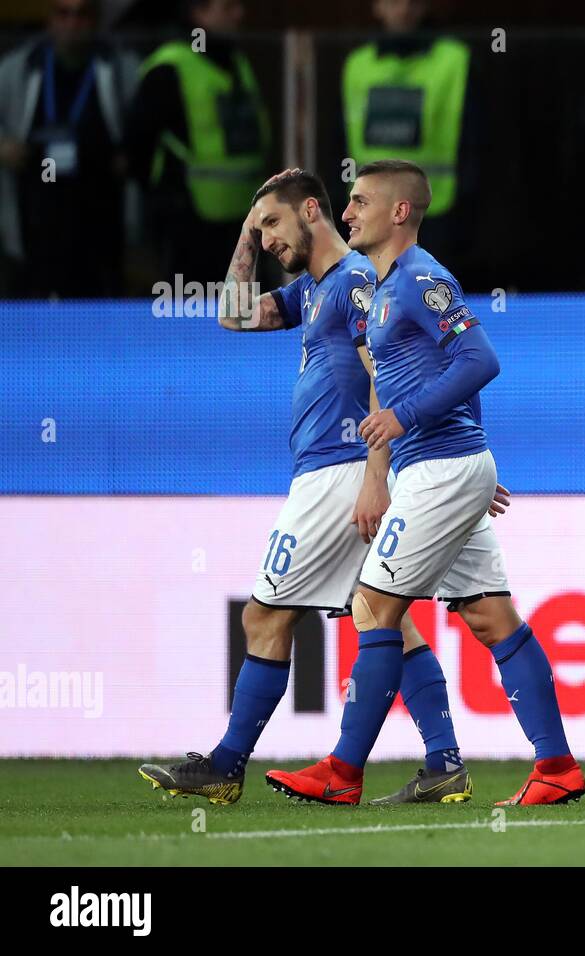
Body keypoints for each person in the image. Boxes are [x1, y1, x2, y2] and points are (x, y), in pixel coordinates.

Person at [136, 169, 508, 806]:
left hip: (339, 472)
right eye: (262, 231)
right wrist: (248, 231)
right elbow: (232, 316)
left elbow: (385, 370)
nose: (270, 239)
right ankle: (444, 762)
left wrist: (376, 476)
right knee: (388, 621)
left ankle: (227, 765)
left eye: (276, 223)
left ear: (313, 209)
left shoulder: (358, 283)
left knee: (264, 615)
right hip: (342, 471)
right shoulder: (314, 291)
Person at [266, 160, 585, 807]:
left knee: (372, 606)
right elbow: (444, 372)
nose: (347, 213)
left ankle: (343, 772)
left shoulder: (421, 279)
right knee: (491, 616)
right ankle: (556, 769)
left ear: (399, 212)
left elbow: (480, 360)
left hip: (441, 469)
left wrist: (420, 431)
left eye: (358, 202)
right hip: (443, 468)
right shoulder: (382, 289)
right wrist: (471, 459)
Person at [126, 0, 270, 281]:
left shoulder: (236, 62)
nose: (240, 14)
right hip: (189, 224)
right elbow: (138, 145)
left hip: (245, 222)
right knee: (189, 312)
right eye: (228, 7)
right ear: (198, 12)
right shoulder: (170, 66)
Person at [0, 0, 135, 298]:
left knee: (97, 291)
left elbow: (143, 125)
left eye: (82, 14)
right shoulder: (19, 67)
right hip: (36, 202)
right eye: (64, 13)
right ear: (50, 19)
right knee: (32, 290)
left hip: (98, 200)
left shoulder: (120, 67)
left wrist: (130, 155)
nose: (72, 23)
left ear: (95, 21)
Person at [340, 0, 481, 255]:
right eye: (394, 2)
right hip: (370, 213)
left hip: (435, 213)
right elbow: (340, 142)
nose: (404, 10)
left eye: (412, 2)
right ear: (377, 6)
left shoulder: (455, 61)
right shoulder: (356, 65)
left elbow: (475, 140)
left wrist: (468, 208)